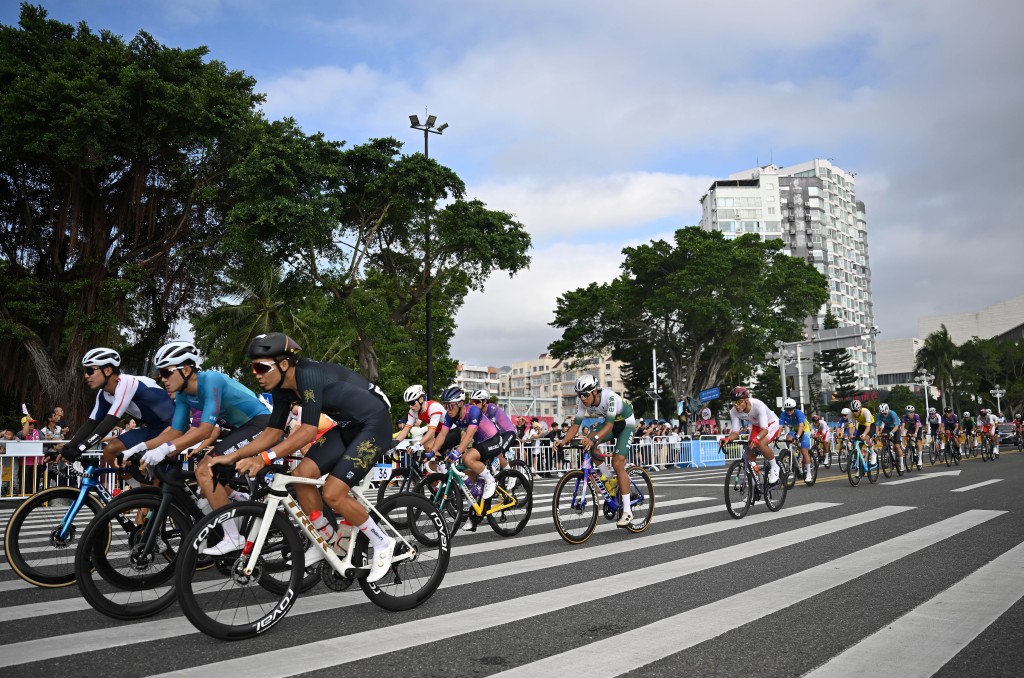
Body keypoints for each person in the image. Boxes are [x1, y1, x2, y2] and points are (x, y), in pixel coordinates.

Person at [231, 333, 396, 582]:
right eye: (253, 367)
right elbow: (272, 432)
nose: (256, 373)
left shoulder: (307, 376)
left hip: (374, 424)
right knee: (300, 476)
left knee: (333, 493)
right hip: (345, 427)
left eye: (261, 367)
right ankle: (330, 542)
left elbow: (308, 430)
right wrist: (230, 456)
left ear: (284, 364)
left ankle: (383, 542)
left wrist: (263, 458)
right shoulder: (282, 389)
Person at [123, 341, 272, 555]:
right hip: (242, 427)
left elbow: (204, 430)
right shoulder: (184, 395)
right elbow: (176, 431)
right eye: (160, 374)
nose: (163, 379)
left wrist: (164, 449)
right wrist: (139, 447)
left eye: (166, 372)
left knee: (204, 469)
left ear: (185, 370)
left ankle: (233, 537)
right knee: (209, 479)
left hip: (260, 422)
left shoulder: (211, 380)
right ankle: (241, 502)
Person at [58, 348, 175, 470]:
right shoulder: (103, 394)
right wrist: (67, 449)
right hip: (153, 428)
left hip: (173, 427)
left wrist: (80, 449)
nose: (86, 376)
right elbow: (91, 424)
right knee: (110, 451)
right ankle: (139, 488)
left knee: (158, 479)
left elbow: (109, 422)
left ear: (107, 370)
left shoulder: (126, 382)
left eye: (90, 371)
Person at [552, 374, 637, 527]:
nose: (582, 398)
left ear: (595, 391)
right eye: (579, 395)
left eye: (585, 394)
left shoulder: (609, 397)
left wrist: (594, 438)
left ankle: (627, 511)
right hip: (609, 423)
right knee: (589, 442)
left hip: (625, 423)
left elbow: (609, 426)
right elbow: (576, 425)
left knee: (617, 463)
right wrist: (563, 441)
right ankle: (609, 478)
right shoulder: (583, 402)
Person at [426, 386, 505, 502]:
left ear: (460, 404)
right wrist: (432, 452)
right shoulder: (450, 416)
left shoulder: (473, 411)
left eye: (450, 405)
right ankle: (473, 514)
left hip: (493, 440)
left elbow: (468, 436)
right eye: (445, 406)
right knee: (468, 477)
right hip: (480, 444)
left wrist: (457, 453)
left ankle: (490, 480)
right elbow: (442, 435)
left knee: (467, 458)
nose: (448, 409)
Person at [718, 386, 782, 484]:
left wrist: (757, 439)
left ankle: (774, 466)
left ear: (746, 400)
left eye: (739, 402)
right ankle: (755, 483)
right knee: (750, 454)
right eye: (734, 403)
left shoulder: (758, 405)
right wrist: (727, 439)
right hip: (757, 427)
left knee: (760, 443)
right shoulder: (734, 412)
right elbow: (735, 432)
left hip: (771, 424)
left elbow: (764, 430)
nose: (736, 405)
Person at [778, 398, 813, 482]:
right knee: (788, 439)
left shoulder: (799, 413)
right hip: (795, 429)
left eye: (790, 409)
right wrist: (777, 437)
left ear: (794, 408)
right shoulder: (783, 414)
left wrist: (797, 436)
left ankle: (808, 473)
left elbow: (801, 426)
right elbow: (780, 427)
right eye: (787, 409)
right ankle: (793, 454)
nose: (788, 411)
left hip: (805, 429)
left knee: (804, 452)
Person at [876, 403, 904, 471]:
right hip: (887, 427)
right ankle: (886, 448)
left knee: (897, 446)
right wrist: (876, 432)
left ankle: (901, 464)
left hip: (895, 427)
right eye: (882, 413)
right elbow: (878, 424)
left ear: (888, 410)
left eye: (885, 413)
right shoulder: (879, 415)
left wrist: (892, 432)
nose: (884, 415)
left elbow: (896, 426)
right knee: (883, 436)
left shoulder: (892, 414)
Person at [850, 400, 876, 466]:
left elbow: (868, 427)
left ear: (860, 409)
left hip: (871, 425)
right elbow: (850, 426)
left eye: (856, 411)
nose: (854, 413)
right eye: (853, 411)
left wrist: (864, 434)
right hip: (861, 425)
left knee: (866, 439)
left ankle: (873, 454)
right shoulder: (850, 414)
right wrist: (851, 435)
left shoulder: (866, 412)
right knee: (858, 444)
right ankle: (860, 462)